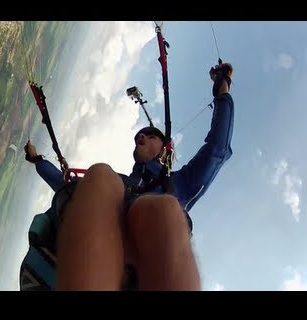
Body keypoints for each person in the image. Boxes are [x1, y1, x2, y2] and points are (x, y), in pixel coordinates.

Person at [20, 63, 234, 291]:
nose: (140, 136)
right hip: (84, 250)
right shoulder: (117, 184)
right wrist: (38, 162)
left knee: (164, 211)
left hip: (138, 263)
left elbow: (217, 149)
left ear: (165, 149)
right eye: (139, 136)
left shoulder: (180, 184)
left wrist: (222, 86)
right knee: (101, 175)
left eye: (150, 136)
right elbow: (67, 186)